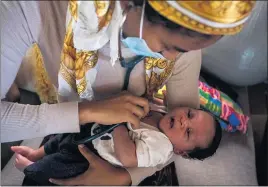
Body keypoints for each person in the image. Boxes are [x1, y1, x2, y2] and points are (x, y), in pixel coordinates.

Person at [1, 0, 255, 185]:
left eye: (184, 51)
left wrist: (122, 177)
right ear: (130, 4)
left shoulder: (181, 54)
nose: (172, 59)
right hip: (77, 127)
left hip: (98, 146)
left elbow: (172, 145)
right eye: (169, 46)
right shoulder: (30, 9)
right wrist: (88, 111)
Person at [12, 106, 222, 185]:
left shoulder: (162, 147)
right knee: (59, 139)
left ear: (180, 151)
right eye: (190, 114)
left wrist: (119, 124)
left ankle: (29, 169)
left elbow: (128, 158)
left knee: (55, 167)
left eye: (188, 132)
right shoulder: (161, 112)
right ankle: (35, 153)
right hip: (93, 132)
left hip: (93, 157)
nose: (185, 120)